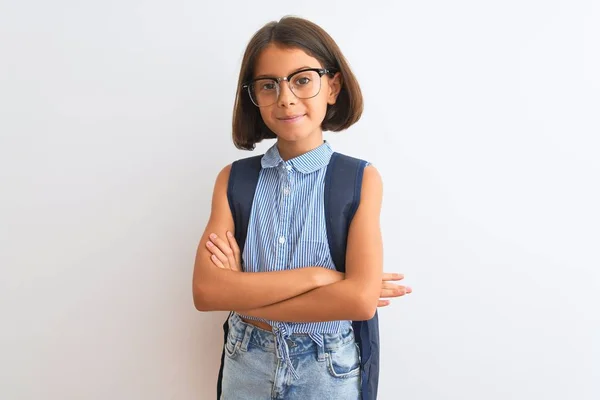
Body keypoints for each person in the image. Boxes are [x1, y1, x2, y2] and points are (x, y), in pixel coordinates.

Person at [192, 16, 412, 400]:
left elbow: (358, 302)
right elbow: (207, 292)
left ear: (333, 86)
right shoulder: (234, 179)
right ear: (253, 96)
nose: (286, 97)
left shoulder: (360, 179)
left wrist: (242, 292)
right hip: (246, 362)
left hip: (326, 366)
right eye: (268, 84)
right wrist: (319, 278)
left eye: (302, 79)